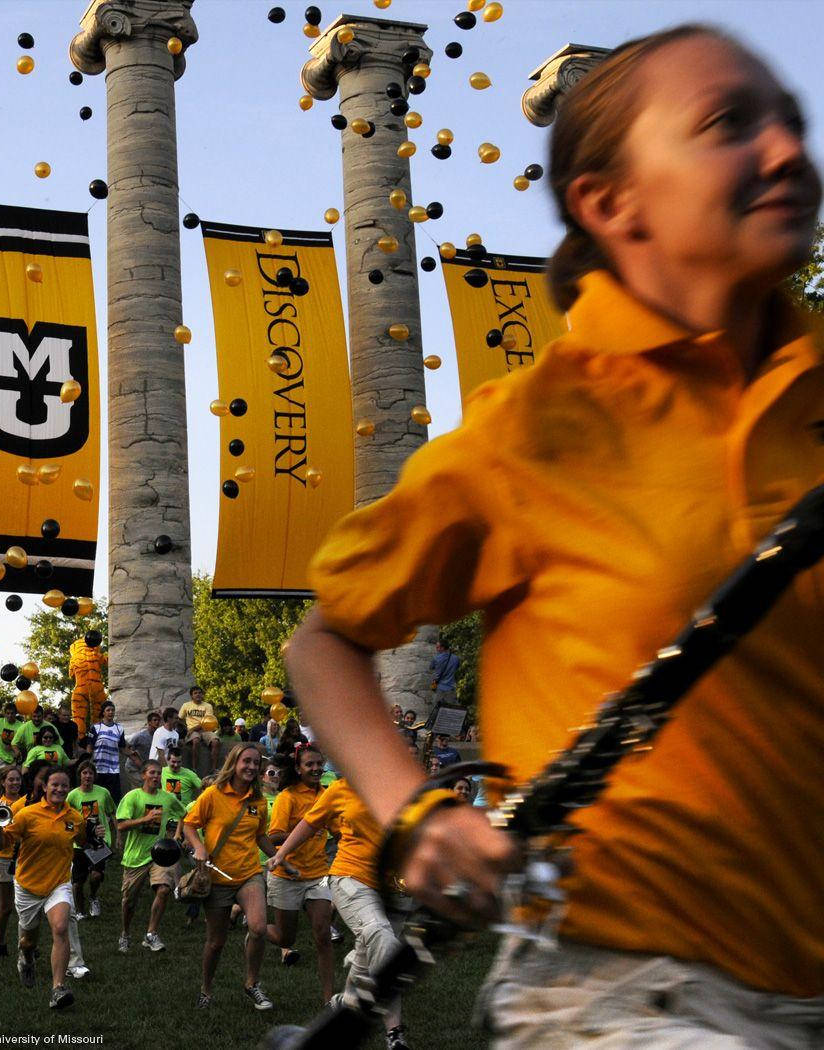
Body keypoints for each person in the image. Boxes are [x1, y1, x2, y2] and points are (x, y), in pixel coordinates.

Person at [287, 26, 824, 1048]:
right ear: (610, 202)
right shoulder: (531, 430)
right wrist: (419, 817)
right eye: (729, 127)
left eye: (792, 121)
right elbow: (326, 642)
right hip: (627, 994)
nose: (789, 152)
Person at [270, 778, 410, 1050]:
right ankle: (395, 1034)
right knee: (382, 939)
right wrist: (282, 853)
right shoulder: (342, 788)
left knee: (367, 955)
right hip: (351, 876)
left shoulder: (404, 783)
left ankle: (345, 1003)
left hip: (398, 886)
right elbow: (310, 823)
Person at [181, 742, 276, 1011]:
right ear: (234, 763)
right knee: (216, 942)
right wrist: (199, 846)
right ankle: (206, 989)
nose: (252, 767)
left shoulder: (258, 801)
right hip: (217, 878)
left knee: (258, 927)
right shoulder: (213, 794)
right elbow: (189, 824)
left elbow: (260, 836)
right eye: (246, 761)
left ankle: (252, 984)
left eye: (256, 763)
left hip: (249, 874)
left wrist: (280, 857)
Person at [3, 768, 87, 1010]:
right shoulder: (27, 815)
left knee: (61, 927)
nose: (60, 789)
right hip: (28, 886)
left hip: (58, 883)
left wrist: (92, 833)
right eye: (55, 785)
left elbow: (80, 841)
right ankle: (26, 958)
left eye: (64, 786)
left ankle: (57, 988)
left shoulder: (74, 817)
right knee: (28, 939)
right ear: (45, 787)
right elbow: (3, 843)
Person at [265, 744, 335, 999]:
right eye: (309, 764)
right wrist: (305, 831)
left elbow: (337, 828)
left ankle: (329, 998)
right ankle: (256, 925)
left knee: (323, 935)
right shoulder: (288, 797)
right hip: (287, 875)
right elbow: (273, 838)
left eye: (319, 764)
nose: (316, 768)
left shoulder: (328, 795)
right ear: (298, 768)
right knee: (285, 938)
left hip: (318, 874)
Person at [114, 759, 184, 954]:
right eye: (152, 773)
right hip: (135, 856)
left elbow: (183, 813)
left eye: (158, 773)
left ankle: (151, 934)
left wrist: (177, 834)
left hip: (159, 854)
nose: (156, 776)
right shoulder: (132, 797)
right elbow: (120, 825)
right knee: (129, 902)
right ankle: (125, 934)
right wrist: (145, 819)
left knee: (164, 889)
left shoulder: (167, 798)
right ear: (143, 775)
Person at [65, 760, 115, 921]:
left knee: (96, 876)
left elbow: (112, 812)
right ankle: (80, 910)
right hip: (79, 842)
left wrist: (118, 835)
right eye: (84, 773)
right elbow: (66, 819)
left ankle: (93, 896)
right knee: (78, 882)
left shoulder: (103, 793)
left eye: (90, 773)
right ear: (79, 776)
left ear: (95, 776)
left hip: (99, 841)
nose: (87, 776)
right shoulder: (72, 795)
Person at [0, 767, 25, 959]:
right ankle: (0, 943)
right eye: (11, 780)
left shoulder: (26, 802)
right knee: (6, 907)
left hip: (25, 859)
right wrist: (1, 823)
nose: (15, 783)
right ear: (3, 782)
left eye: (18, 779)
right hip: (4, 860)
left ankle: (27, 945)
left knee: (26, 907)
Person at [67, 630, 108, 735]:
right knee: (99, 712)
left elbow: (71, 674)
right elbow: (106, 660)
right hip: (97, 687)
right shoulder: (96, 654)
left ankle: (79, 737)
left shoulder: (74, 658)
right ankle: (98, 734)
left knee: (78, 716)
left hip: (80, 688)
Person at [86, 701, 126, 801]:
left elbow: (122, 747)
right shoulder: (95, 727)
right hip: (98, 768)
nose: (111, 712)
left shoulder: (119, 728)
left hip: (113, 769)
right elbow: (90, 746)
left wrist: (134, 756)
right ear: (103, 712)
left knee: (114, 799)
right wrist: (87, 763)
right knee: (98, 798)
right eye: (108, 710)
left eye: (113, 710)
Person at [178, 687, 220, 777]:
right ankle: (194, 768)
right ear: (191, 696)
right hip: (192, 732)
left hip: (205, 730)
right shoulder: (186, 705)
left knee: (216, 741)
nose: (198, 694)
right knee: (196, 740)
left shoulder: (208, 706)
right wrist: (187, 728)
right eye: (195, 693)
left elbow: (207, 721)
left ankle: (214, 768)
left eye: (200, 693)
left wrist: (192, 729)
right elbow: (180, 719)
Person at [124, 709, 162, 782]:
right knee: (143, 785)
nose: (157, 722)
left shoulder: (158, 736)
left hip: (146, 768)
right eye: (155, 720)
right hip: (133, 767)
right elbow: (127, 749)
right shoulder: (140, 736)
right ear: (149, 722)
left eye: (158, 720)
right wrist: (137, 761)